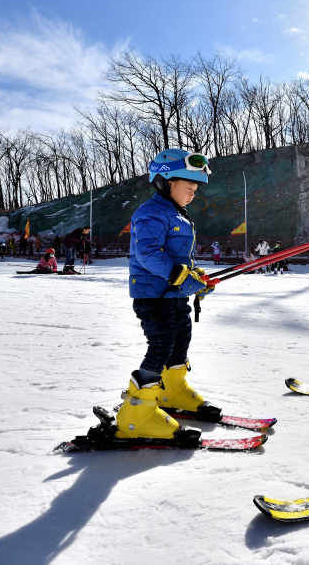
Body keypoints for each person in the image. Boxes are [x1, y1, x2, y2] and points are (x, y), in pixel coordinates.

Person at [113, 149, 217, 445]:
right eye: (188, 188)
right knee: (161, 343)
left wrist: (197, 280)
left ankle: (172, 389)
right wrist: (179, 276)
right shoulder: (150, 213)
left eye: (196, 190)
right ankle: (137, 412)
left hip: (173, 295)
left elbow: (181, 261)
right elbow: (147, 254)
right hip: (152, 294)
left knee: (181, 337)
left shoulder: (178, 216)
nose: (193, 194)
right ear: (164, 182)